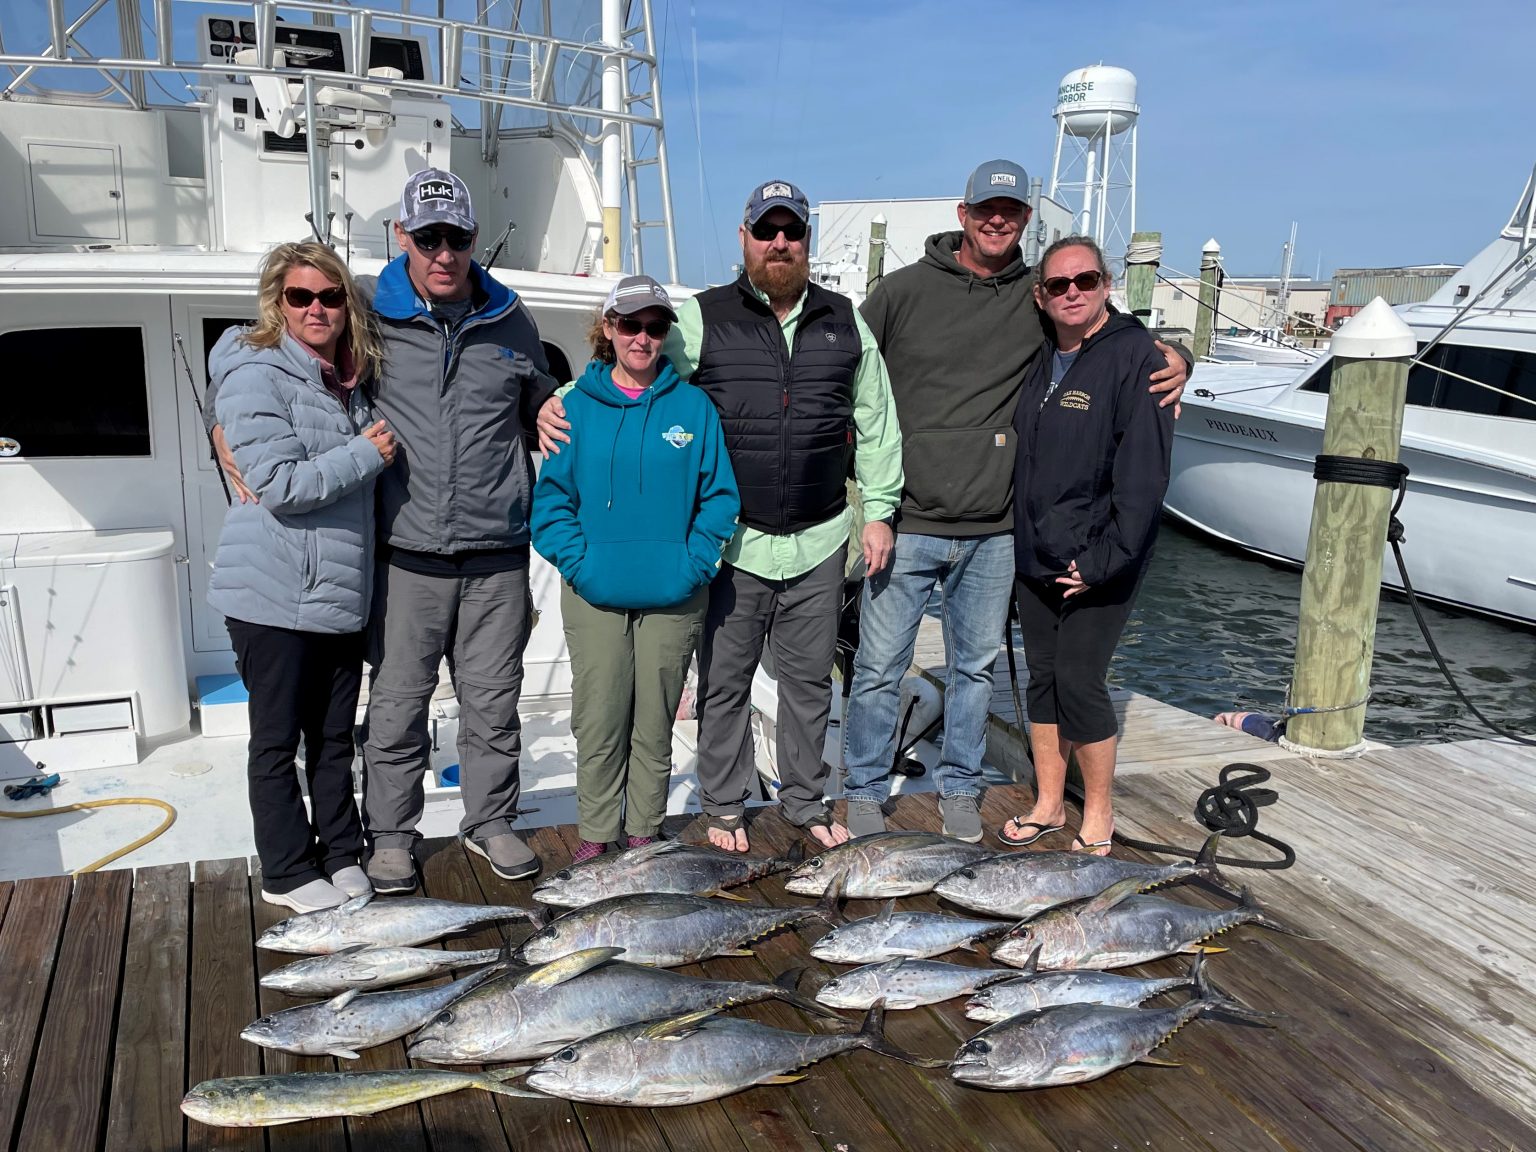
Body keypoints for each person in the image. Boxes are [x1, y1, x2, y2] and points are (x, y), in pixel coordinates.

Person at [540, 180, 903, 852]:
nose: (779, 243)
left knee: (807, 683)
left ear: (805, 240)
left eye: (791, 230)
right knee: (725, 683)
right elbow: (636, 372)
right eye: (766, 231)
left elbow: (875, 420)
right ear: (745, 240)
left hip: (822, 535)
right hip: (738, 541)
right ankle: (726, 805)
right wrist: (559, 400)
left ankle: (802, 799)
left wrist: (878, 511)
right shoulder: (703, 316)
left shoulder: (843, 320)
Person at [840, 160, 1188, 844]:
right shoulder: (903, 292)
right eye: (984, 209)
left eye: (1010, 210)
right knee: (878, 668)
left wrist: (1178, 354)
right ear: (963, 214)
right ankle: (860, 788)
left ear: (1025, 219)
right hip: (908, 522)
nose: (996, 220)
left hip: (997, 532)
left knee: (976, 671)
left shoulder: (1034, 297)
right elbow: (841, 363)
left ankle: (963, 788)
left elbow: (1114, 340)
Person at [359, 168, 562, 889]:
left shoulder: (511, 317)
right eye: (428, 238)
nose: (443, 253)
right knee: (398, 705)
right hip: (407, 554)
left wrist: (540, 403)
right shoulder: (364, 310)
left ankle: (490, 821)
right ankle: (390, 834)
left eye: (456, 238)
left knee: (492, 702)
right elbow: (264, 352)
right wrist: (223, 431)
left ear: (474, 239)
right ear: (402, 237)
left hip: (496, 556)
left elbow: (538, 388)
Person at [207, 241, 395, 913]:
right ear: (277, 304)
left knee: (333, 736)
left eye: (331, 296)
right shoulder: (257, 372)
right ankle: (286, 869)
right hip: (273, 594)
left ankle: (339, 850)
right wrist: (365, 453)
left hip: (338, 597)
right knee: (277, 740)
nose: (318, 308)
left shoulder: (345, 380)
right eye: (300, 297)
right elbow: (281, 485)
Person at [531, 275, 740, 864]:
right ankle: (597, 838)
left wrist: (693, 563)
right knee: (598, 719)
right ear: (608, 329)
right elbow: (550, 505)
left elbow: (719, 498)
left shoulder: (692, 407)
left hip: (675, 594)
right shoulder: (573, 406)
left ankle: (645, 834)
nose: (642, 338)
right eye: (630, 324)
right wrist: (582, 564)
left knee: (655, 722)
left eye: (654, 326)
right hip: (595, 593)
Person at [1004, 236, 1175, 854]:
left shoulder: (1136, 356)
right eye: (1058, 285)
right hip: (1038, 554)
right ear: (1041, 296)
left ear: (1107, 284)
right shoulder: (1042, 355)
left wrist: (1101, 561)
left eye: (1085, 280)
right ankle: (1050, 802)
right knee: (1043, 679)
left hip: (1101, 556)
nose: (1071, 292)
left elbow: (1144, 476)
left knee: (1079, 678)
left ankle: (1098, 810)